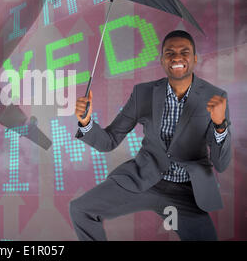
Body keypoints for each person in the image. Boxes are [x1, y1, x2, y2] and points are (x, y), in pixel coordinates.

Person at [70, 30, 231, 241]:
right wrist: (86, 122)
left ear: (194, 59)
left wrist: (220, 126)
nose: (177, 57)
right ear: (162, 60)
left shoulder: (216, 97)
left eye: (184, 52)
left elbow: (221, 164)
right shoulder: (143, 93)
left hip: (186, 193)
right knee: (81, 209)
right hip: (143, 180)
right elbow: (109, 141)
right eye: (169, 53)